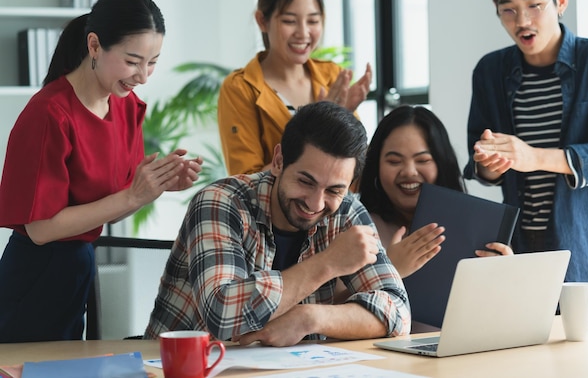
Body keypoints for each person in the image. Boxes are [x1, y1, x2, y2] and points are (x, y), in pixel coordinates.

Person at [0, 0, 203, 343]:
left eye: (152, 61)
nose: (143, 75)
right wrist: (131, 196)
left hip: (78, 268)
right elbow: (40, 229)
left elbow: (111, 209)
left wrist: (153, 187)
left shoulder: (127, 108)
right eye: (132, 60)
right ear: (95, 46)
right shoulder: (49, 114)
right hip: (35, 274)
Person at [144, 101, 411, 347]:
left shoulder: (347, 212)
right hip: (183, 368)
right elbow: (222, 314)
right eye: (305, 182)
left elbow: (398, 314)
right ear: (279, 161)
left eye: (334, 190)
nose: (316, 203)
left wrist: (310, 318)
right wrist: (327, 263)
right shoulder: (222, 201)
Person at [464, 0, 588, 310]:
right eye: (508, 10)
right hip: (519, 249)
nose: (522, 21)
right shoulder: (490, 72)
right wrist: (491, 162)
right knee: (527, 359)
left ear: (561, 1)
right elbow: (481, 165)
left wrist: (533, 157)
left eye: (534, 5)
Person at [217, 0, 372, 176]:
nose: (303, 33)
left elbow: (357, 167)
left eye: (313, 21)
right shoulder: (240, 88)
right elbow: (246, 180)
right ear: (262, 21)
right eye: (290, 21)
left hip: (338, 205)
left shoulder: (331, 76)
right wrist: (323, 128)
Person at [358, 105, 512, 281]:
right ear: (375, 166)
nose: (409, 172)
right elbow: (335, 302)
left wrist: (507, 273)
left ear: (442, 163)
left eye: (423, 160)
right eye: (394, 161)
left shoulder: (479, 228)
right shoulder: (357, 227)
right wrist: (390, 271)